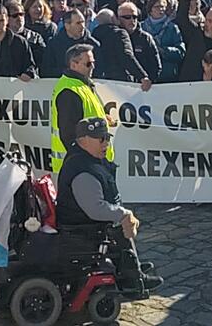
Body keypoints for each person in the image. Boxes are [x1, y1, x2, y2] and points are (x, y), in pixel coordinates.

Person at [56, 117, 160, 295]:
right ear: (83, 141)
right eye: (100, 139)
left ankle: (131, 267)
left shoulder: (87, 158)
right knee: (121, 224)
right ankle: (131, 278)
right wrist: (123, 213)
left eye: (107, 137)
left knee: (121, 221)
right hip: (80, 226)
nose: (106, 142)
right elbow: (95, 208)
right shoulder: (82, 170)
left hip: (83, 219)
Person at [51, 43, 112, 171]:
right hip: (80, 166)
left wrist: (103, 119)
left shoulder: (82, 85)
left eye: (93, 63)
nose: (93, 67)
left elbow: (86, 115)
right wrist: (85, 163)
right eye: (88, 64)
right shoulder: (70, 90)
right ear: (73, 65)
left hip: (91, 161)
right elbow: (69, 134)